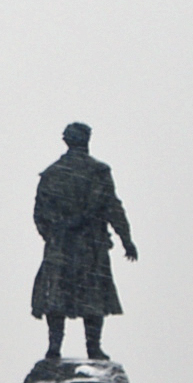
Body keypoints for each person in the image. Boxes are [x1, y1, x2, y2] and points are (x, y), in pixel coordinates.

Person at [31, 121, 137, 366]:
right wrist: (126, 239)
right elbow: (112, 207)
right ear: (86, 140)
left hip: (61, 246)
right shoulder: (97, 171)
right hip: (91, 245)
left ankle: (54, 347)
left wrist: (56, 234)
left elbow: (39, 215)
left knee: (56, 296)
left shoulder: (52, 173)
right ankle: (94, 348)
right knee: (93, 295)